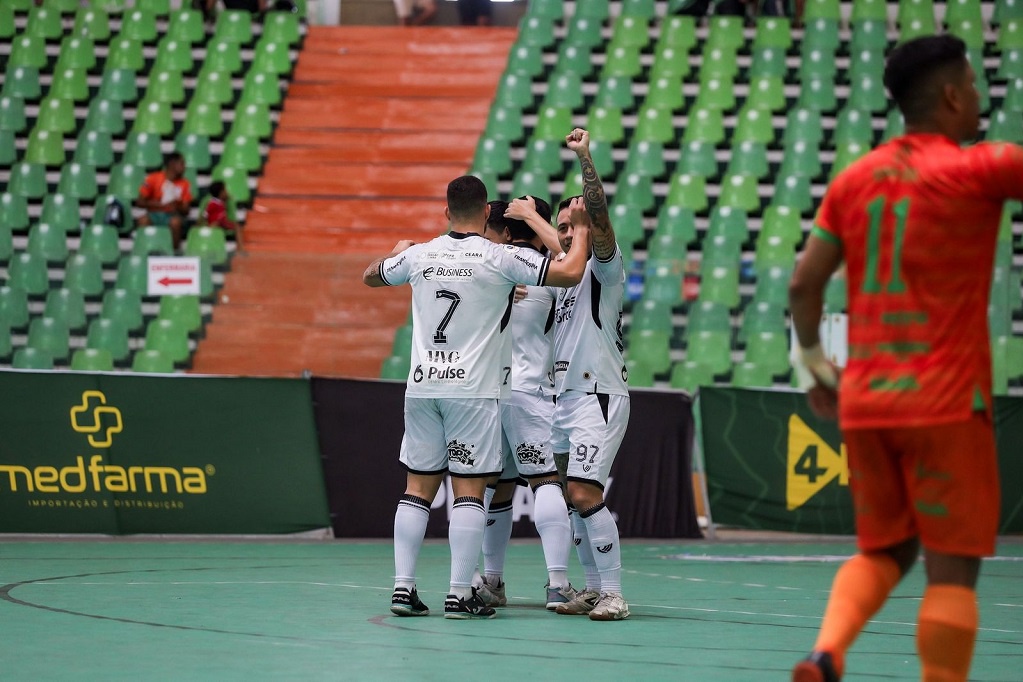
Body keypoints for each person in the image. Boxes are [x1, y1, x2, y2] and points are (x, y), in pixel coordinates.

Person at [788, 34, 1023, 682]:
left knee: (885, 548)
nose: (976, 99)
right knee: (951, 571)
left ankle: (826, 649)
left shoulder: (853, 179)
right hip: (946, 404)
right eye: (973, 87)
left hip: (866, 403)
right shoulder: (979, 168)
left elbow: (802, 285)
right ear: (951, 95)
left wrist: (813, 365)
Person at [363, 175, 591, 620]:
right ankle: (460, 593)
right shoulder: (499, 258)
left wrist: (396, 254)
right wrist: (578, 230)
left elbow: (370, 276)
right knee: (471, 492)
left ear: (445, 212)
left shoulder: (421, 253)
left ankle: (403, 589)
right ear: (488, 211)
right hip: (478, 389)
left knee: (416, 490)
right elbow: (570, 271)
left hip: (423, 385)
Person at [522, 129, 632, 622]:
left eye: (574, 225)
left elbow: (598, 225)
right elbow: (557, 242)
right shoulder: (564, 269)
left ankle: (613, 593)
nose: (565, 233)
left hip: (598, 394)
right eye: (562, 227)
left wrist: (585, 159)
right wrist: (537, 221)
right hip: (564, 399)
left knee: (586, 492)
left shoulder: (602, 270)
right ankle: (591, 588)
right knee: (572, 497)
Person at [473, 197, 578, 612]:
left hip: (484, 393)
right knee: (546, 481)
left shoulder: (484, 265)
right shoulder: (550, 272)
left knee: (495, 488)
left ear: (499, 231)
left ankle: (493, 580)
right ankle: (557, 583)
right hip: (531, 390)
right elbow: (576, 261)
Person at [135, 151, 192, 251]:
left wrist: (176, 206)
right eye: (182, 163)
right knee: (143, 221)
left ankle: (174, 252)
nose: (185, 167)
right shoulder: (152, 178)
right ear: (172, 164)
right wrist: (161, 205)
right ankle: (143, 251)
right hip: (153, 214)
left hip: (172, 215)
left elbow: (186, 210)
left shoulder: (185, 183)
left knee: (176, 223)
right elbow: (139, 202)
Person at [201, 181, 243, 250]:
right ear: (220, 193)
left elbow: (224, 213)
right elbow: (205, 215)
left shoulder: (223, 203)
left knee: (237, 226)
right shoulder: (212, 203)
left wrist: (227, 198)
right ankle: (208, 236)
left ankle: (241, 248)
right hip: (215, 223)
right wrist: (206, 224)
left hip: (223, 222)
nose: (227, 192)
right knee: (216, 223)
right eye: (225, 190)